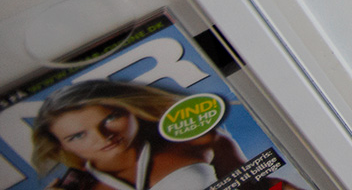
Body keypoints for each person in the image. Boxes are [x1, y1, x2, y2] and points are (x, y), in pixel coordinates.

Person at [29, 79, 290, 190]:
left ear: (132, 109)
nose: (102, 137)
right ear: (59, 145)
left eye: (110, 118)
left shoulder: (194, 139)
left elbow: (259, 186)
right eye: (77, 136)